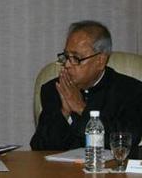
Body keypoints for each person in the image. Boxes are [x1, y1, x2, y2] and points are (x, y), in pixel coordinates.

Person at [30, 20, 142, 152]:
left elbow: (126, 141)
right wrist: (63, 113)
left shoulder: (131, 91)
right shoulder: (54, 89)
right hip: (62, 172)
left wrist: (81, 108)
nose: (67, 64)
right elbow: (40, 148)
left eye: (76, 58)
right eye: (66, 56)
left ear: (100, 61)